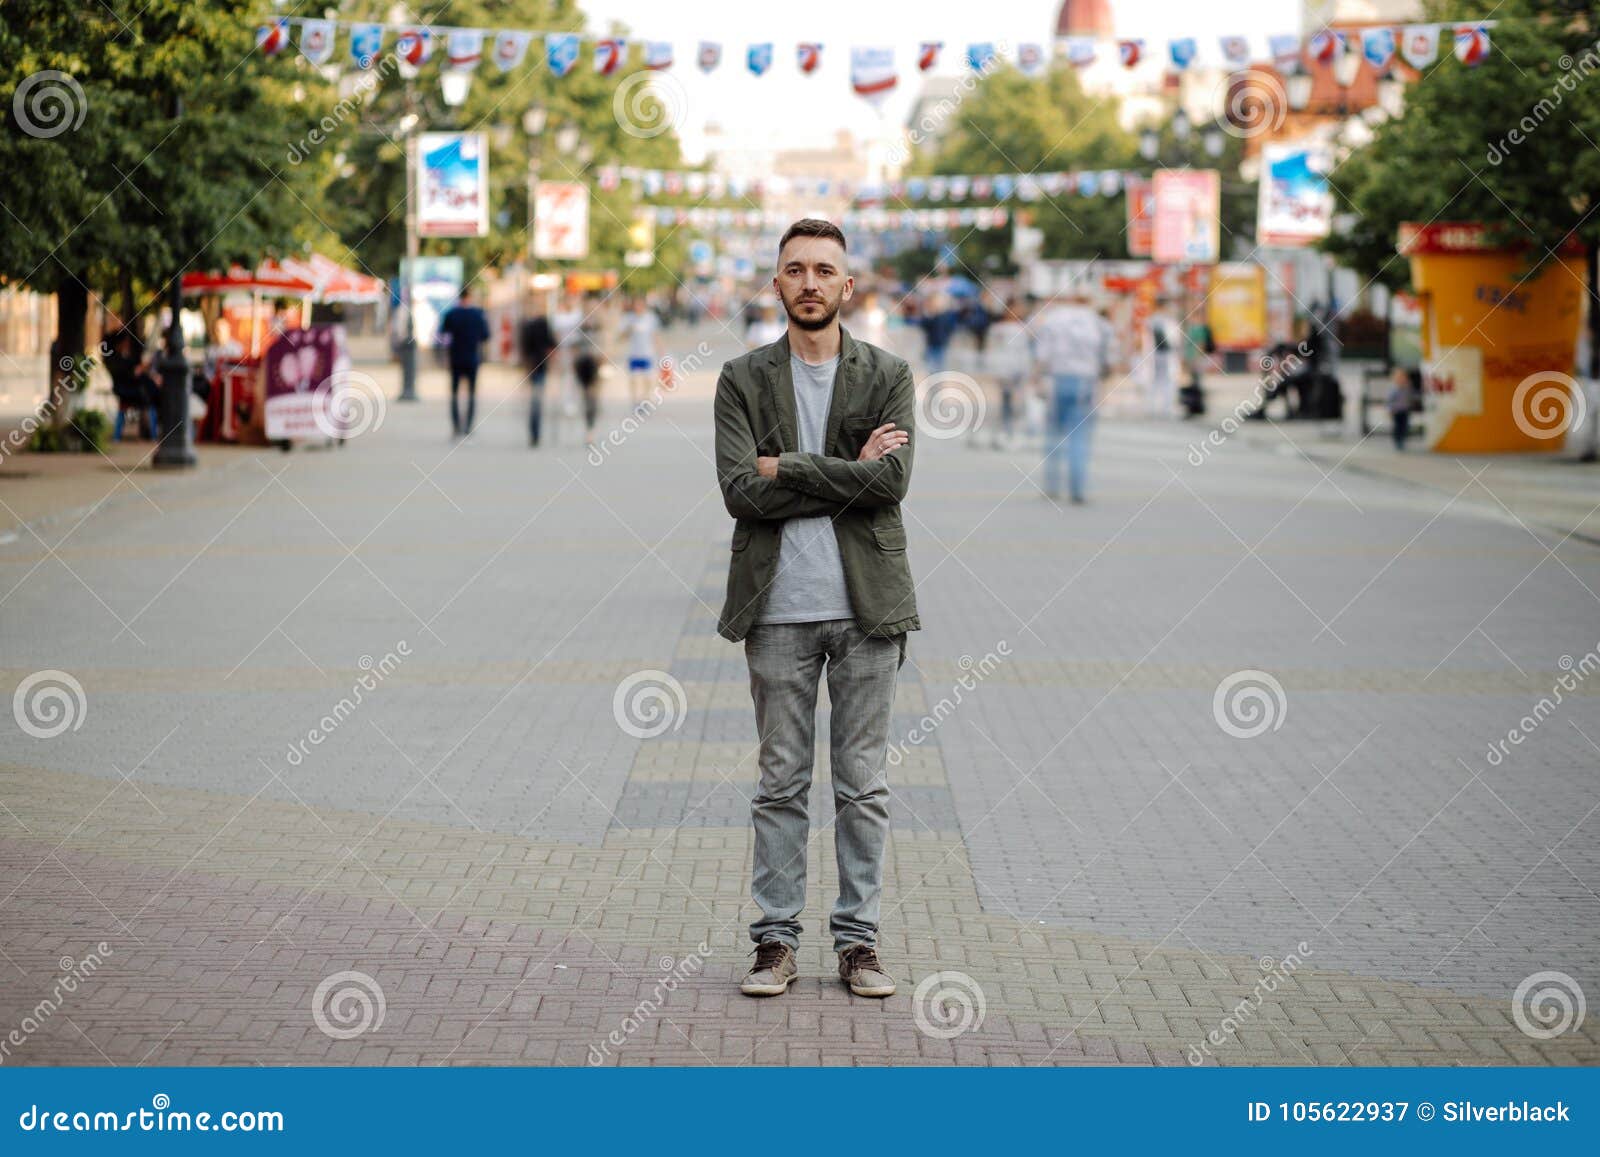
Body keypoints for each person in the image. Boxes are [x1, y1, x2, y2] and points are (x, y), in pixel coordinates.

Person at [714, 218, 918, 1001]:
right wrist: (845, 471)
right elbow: (740, 491)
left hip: (867, 606)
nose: (808, 281)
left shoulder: (888, 373)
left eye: (823, 269)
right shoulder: (741, 377)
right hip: (776, 607)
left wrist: (789, 467)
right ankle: (774, 941)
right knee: (780, 783)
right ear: (777, 285)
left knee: (863, 785)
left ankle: (859, 943)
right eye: (794, 268)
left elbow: (891, 484)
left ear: (847, 286)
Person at [1032, 288, 1114, 504]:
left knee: (1053, 434)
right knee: (1079, 436)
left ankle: (1051, 485)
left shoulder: (1053, 320)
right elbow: (1108, 361)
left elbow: (1042, 355)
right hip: (1086, 381)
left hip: (1057, 378)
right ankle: (1077, 488)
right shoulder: (1098, 323)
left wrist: (1037, 379)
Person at [438, 286, 490, 437]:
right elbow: (486, 336)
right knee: (472, 393)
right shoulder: (478, 314)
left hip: (455, 358)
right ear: (470, 296)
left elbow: (443, 335)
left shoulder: (451, 314)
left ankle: (456, 426)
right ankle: (468, 425)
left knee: (454, 393)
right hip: (472, 358)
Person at [984, 299, 1032, 449]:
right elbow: (993, 350)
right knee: (1007, 402)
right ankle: (1005, 431)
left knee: (1011, 403)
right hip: (1008, 370)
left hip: (1012, 369)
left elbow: (1024, 353)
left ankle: (1007, 432)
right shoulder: (1004, 329)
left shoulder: (1019, 329)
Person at [519, 306, 557, 448]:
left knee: (535, 401)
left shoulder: (527, 324)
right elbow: (552, 344)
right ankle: (535, 432)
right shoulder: (541, 323)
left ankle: (534, 432)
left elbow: (523, 348)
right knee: (536, 401)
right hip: (538, 366)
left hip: (533, 367)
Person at [622, 296, 661, 408]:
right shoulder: (628, 318)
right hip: (633, 354)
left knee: (648, 379)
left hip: (647, 353)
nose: (638, 307)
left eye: (640, 304)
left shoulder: (651, 318)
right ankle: (635, 401)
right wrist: (629, 330)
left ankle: (645, 399)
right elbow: (621, 337)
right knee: (633, 379)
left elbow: (656, 335)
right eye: (636, 305)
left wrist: (661, 352)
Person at [1148, 300, 1178, 418]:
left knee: (1156, 380)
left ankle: (1152, 406)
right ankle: (1165, 407)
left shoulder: (1151, 320)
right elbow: (1174, 340)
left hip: (1156, 354)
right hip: (1165, 354)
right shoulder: (1167, 321)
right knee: (1167, 381)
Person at [1387, 367, 1419, 450]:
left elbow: (1412, 396)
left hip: (1405, 410)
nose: (1401, 379)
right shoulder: (1394, 388)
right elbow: (1390, 400)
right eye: (1399, 377)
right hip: (1396, 411)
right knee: (1397, 426)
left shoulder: (1408, 387)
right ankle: (1397, 441)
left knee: (1404, 426)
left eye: (1403, 377)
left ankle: (1402, 440)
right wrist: (1390, 410)